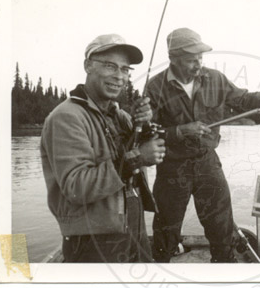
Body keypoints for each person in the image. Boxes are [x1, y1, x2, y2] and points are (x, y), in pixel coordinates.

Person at [146, 28, 260, 262]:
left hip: (207, 162)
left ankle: (224, 265)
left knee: (222, 227)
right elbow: (147, 133)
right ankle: (161, 268)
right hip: (172, 168)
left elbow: (244, 100)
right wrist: (180, 131)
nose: (197, 64)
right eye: (190, 60)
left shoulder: (215, 78)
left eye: (200, 58)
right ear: (173, 59)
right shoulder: (155, 87)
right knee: (166, 229)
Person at [40, 34, 166, 263]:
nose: (120, 77)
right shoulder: (66, 117)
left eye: (126, 69)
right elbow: (76, 185)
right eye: (110, 66)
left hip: (132, 231)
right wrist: (139, 158)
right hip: (94, 241)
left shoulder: (121, 116)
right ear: (88, 66)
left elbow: (131, 156)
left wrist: (144, 126)